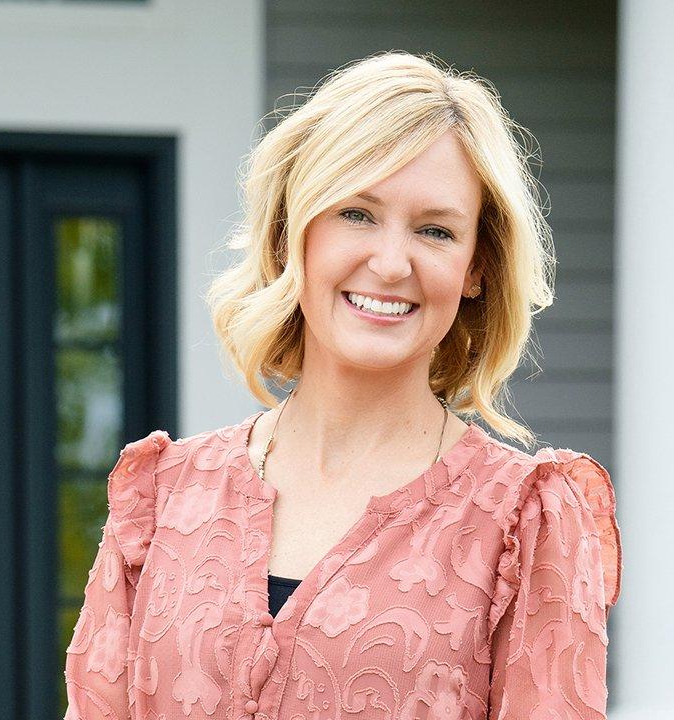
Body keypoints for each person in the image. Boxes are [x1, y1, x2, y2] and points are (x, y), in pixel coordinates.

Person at [64, 50, 622, 720]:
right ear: (292, 231)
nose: (390, 263)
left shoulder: (522, 522)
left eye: (435, 230)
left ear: (476, 267)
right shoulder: (162, 495)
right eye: (356, 213)